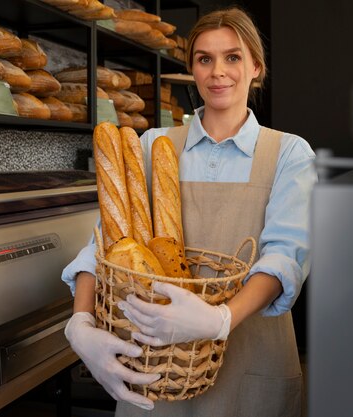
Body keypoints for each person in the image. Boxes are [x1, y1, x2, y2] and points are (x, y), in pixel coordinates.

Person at [62, 6, 317, 417]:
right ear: (192, 70)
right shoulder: (153, 145)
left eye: (233, 57)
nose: (218, 71)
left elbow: (285, 257)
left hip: (251, 363)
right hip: (154, 365)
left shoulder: (288, 152)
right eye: (204, 59)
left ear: (256, 66)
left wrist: (219, 320)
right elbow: (105, 244)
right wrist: (81, 324)